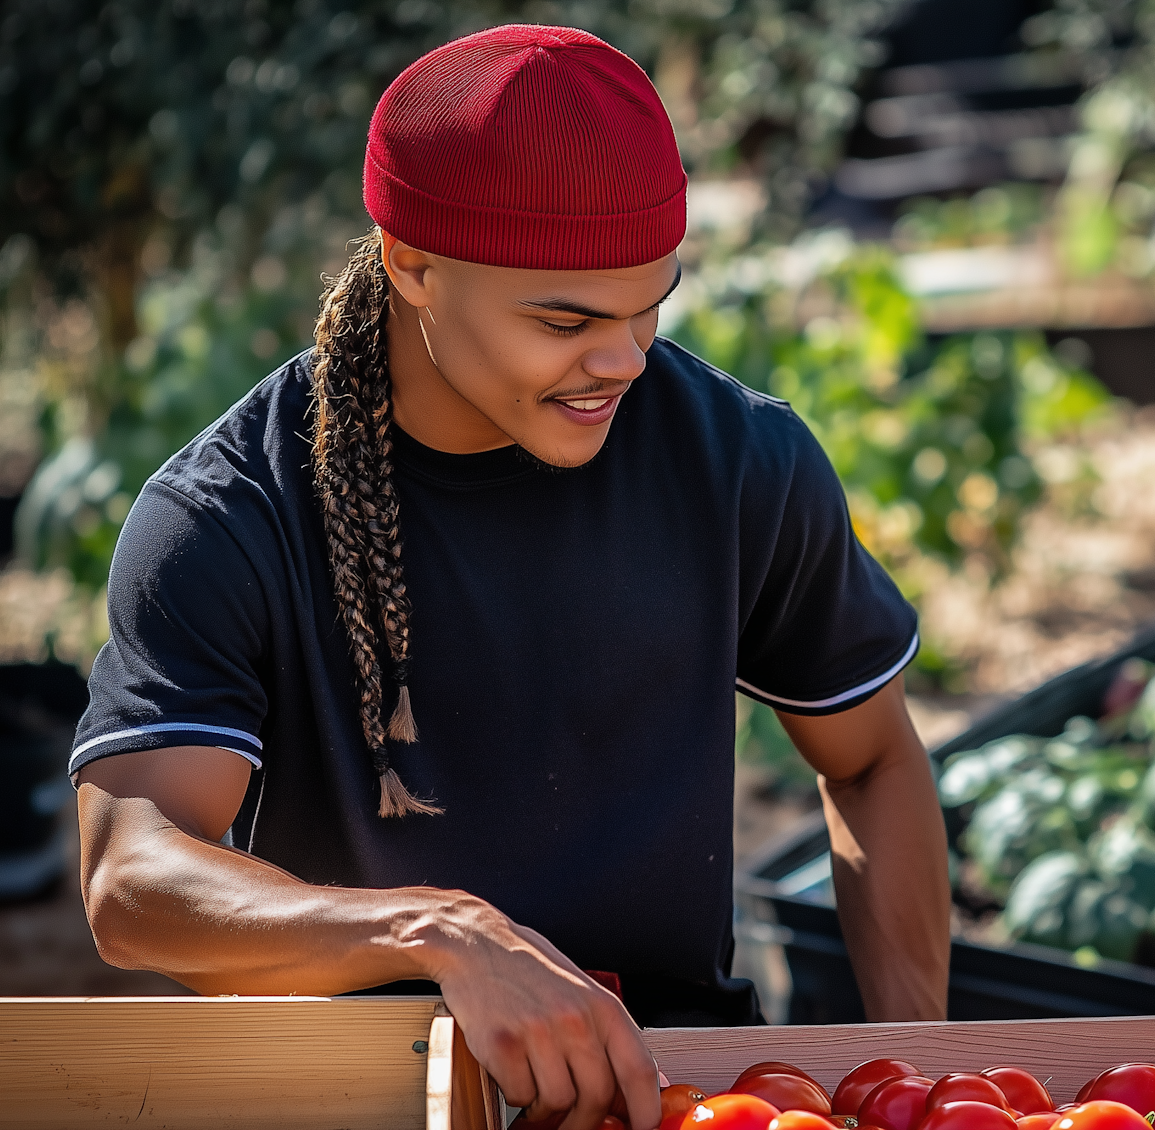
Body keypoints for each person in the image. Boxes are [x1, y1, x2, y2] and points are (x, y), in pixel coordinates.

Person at [72, 23, 950, 1130]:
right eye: (568, 320)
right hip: (365, 1088)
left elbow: (870, 760)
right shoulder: (230, 514)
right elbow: (133, 880)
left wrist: (919, 1066)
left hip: (680, 1086)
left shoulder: (737, 459)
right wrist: (439, 932)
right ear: (413, 265)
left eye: (650, 306)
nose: (625, 361)